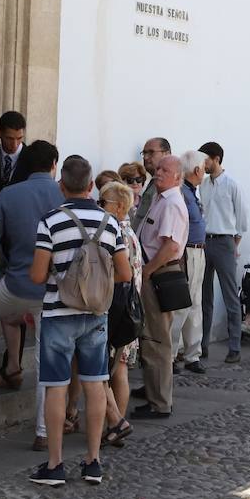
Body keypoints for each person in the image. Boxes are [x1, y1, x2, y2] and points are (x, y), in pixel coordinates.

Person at [27, 156, 132, 487]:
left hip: (58, 313)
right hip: (95, 315)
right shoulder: (110, 223)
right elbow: (125, 273)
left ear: (61, 185)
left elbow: (38, 275)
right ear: (90, 186)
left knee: (56, 388)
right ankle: (93, 462)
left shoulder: (50, 221)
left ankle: (55, 464)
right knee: (95, 385)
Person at [0, 139, 60, 450]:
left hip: (15, 283)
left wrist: (3, 268)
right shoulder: (63, 195)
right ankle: (43, 431)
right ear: (54, 165)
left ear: (24, 164)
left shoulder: (8, 194)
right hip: (51, 290)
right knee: (46, 361)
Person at [132, 155, 188, 419]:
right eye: (158, 169)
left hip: (158, 274)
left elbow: (171, 247)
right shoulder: (160, 198)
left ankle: (160, 402)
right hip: (154, 272)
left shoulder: (172, 203)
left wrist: (147, 271)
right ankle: (153, 392)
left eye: (165, 170)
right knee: (151, 336)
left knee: (156, 339)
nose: (158, 173)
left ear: (178, 176)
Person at [96, 181, 139, 449]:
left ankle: (114, 423)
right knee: (117, 368)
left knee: (112, 369)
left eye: (103, 203)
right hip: (127, 311)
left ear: (120, 207)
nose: (99, 207)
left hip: (116, 310)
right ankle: (115, 423)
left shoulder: (115, 232)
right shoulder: (129, 232)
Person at [198, 142, 248, 364]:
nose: (202, 164)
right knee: (204, 296)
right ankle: (202, 346)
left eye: (205, 159)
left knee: (230, 295)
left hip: (225, 241)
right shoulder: (203, 185)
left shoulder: (232, 184)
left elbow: (242, 219)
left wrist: (234, 244)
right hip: (204, 242)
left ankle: (234, 347)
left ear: (216, 158)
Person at [171, 150, 208, 372]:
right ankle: (172, 354)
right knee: (182, 305)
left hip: (197, 252)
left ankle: (192, 354)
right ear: (196, 170)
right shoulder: (183, 193)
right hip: (187, 252)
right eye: (203, 168)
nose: (204, 172)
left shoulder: (191, 192)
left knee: (195, 303)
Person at [135, 137, 171, 226]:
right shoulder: (153, 182)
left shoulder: (169, 185)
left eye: (151, 152)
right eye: (144, 153)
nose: (146, 157)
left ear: (166, 154)